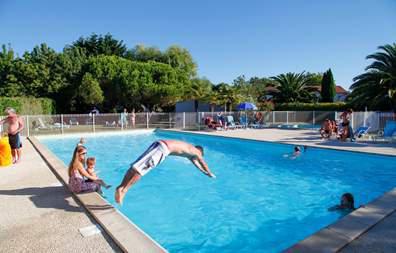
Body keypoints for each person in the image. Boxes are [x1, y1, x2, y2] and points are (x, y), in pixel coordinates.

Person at [115, 140, 216, 204]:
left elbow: (197, 164)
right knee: (141, 170)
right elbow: (202, 162)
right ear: (200, 151)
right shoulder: (196, 151)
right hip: (163, 149)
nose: (199, 157)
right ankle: (124, 190)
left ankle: (120, 187)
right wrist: (210, 172)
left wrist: (204, 173)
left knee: (136, 166)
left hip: (158, 144)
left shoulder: (189, 151)